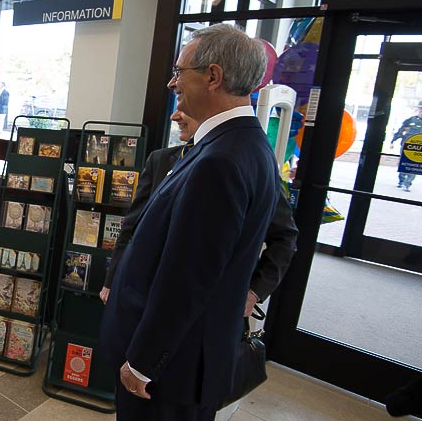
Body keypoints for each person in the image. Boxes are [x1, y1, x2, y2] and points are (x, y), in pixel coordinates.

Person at [99, 24, 278, 421]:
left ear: (213, 76)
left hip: (169, 366)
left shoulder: (221, 160)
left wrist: (142, 363)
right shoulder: (234, 146)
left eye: (180, 72)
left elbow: (188, 279)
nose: (173, 83)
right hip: (192, 357)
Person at [101, 109, 298, 318]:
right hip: (142, 294)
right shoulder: (160, 160)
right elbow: (132, 227)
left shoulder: (245, 165)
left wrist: (254, 292)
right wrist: (112, 280)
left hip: (204, 306)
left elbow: (285, 237)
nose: (174, 117)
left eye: (184, 110)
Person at [390, 99, 422, 192]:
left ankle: (407, 184)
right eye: (421, 109)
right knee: (404, 163)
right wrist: (393, 141)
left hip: (421, 146)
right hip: (407, 145)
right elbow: (400, 131)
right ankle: (401, 180)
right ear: (418, 109)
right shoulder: (410, 120)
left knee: (414, 165)